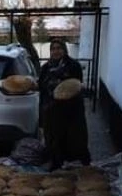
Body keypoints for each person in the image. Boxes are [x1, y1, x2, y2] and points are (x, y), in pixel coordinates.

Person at [38, 38, 90, 170]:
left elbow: (76, 85)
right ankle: (56, 163)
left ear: (64, 50)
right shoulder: (46, 68)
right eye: (53, 49)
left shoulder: (73, 66)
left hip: (70, 110)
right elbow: (41, 88)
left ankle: (82, 164)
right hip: (51, 109)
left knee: (75, 138)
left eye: (59, 48)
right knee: (53, 138)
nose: (56, 51)